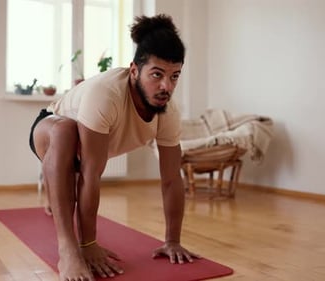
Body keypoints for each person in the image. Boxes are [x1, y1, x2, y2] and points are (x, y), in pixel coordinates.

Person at [29, 14, 200, 281]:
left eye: (174, 76)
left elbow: (171, 180)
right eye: (157, 74)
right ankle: (68, 251)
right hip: (50, 130)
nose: (166, 86)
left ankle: (57, 189)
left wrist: (172, 241)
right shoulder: (106, 92)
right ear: (134, 70)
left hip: (85, 154)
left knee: (79, 172)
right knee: (65, 132)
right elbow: (91, 175)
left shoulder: (168, 112)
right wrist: (86, 245)